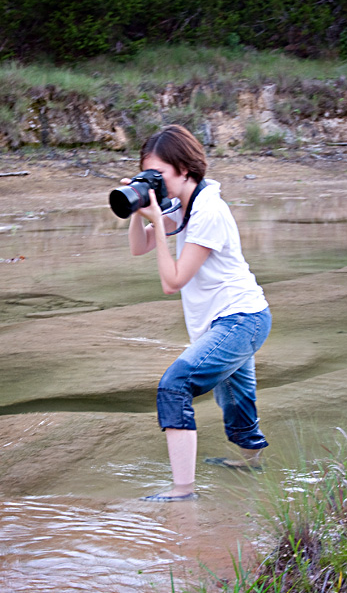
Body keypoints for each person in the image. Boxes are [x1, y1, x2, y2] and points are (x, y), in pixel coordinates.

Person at [124, 124, 272, 502]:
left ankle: (182, 491)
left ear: (185, 169)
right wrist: (138, 211)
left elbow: (172, 281)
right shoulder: (184, 205)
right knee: (237, 404)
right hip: (232, 320)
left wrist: (157, 222)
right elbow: (139, 248)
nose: (154, 181)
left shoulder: (209, 210)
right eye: (148, 174)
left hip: (242, 318)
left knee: (174, 386)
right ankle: (253, 464)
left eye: (159, 174)